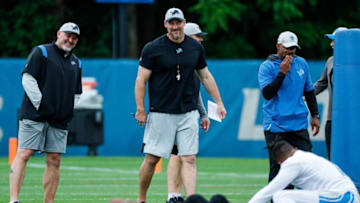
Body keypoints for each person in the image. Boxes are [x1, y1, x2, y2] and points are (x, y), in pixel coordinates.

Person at [134, 8, 226, 203]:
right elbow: (141, 79)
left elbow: (205, 76)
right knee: (152, 159)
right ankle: (141, 199)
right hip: (161, 111)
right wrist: (140, 109)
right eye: (171, 22)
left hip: (187, 112)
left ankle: (191, 200)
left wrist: (219, 102)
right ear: (166, 24)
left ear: (184, 23)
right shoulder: (153, 48)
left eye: (178, 22)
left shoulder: (195, 47)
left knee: (189, 158)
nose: (175, 26)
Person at [9, 22, 82, 203]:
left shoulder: (76, 62)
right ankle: (13, 200)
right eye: (67, 35)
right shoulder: (41, 52)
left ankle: (48, 202)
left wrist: (67, 109)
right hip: (35, 115)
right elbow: (28, 79)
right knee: (24, 153)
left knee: (54, 159)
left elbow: (77, 92)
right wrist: (41, 104)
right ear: (58, 34)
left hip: (59, 119)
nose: (70, 39)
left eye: (74, 37)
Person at [258, 31, 320, 187]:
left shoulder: (302, 63)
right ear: (278, 46)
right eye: (287, 48)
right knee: (279, 172)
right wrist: (282, 73)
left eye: (293, 48)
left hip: (298, 124)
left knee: (307, 168)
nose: (290, 52)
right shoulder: (267, 66)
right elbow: (267, 93)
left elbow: (309, 91)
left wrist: (315, 115)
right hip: (277, 126)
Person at [166, 22, 210, 203]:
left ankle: (177, 196)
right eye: (198, 36)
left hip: (189, 112)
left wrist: (203, 113)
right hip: (176, 112)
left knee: (184, 156)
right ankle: (173, 195)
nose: (201, 40)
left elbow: (195, 90)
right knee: (179, 155)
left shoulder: (193, 58)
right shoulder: (179, 58)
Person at [248, 140, 360, 203]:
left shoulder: (293, 162)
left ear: (281, 161)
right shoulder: (303, 157)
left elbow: (271, 190)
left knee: (280, 196)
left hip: (344, 198)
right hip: (343, 197)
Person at [314, 27, 348, 160]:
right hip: (332, 117)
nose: (331, 44)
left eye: (334, 40)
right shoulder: (330, 61)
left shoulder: (356, 62)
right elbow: (321, 83)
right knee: (331, 153)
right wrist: (307, 95)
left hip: (351, 118)